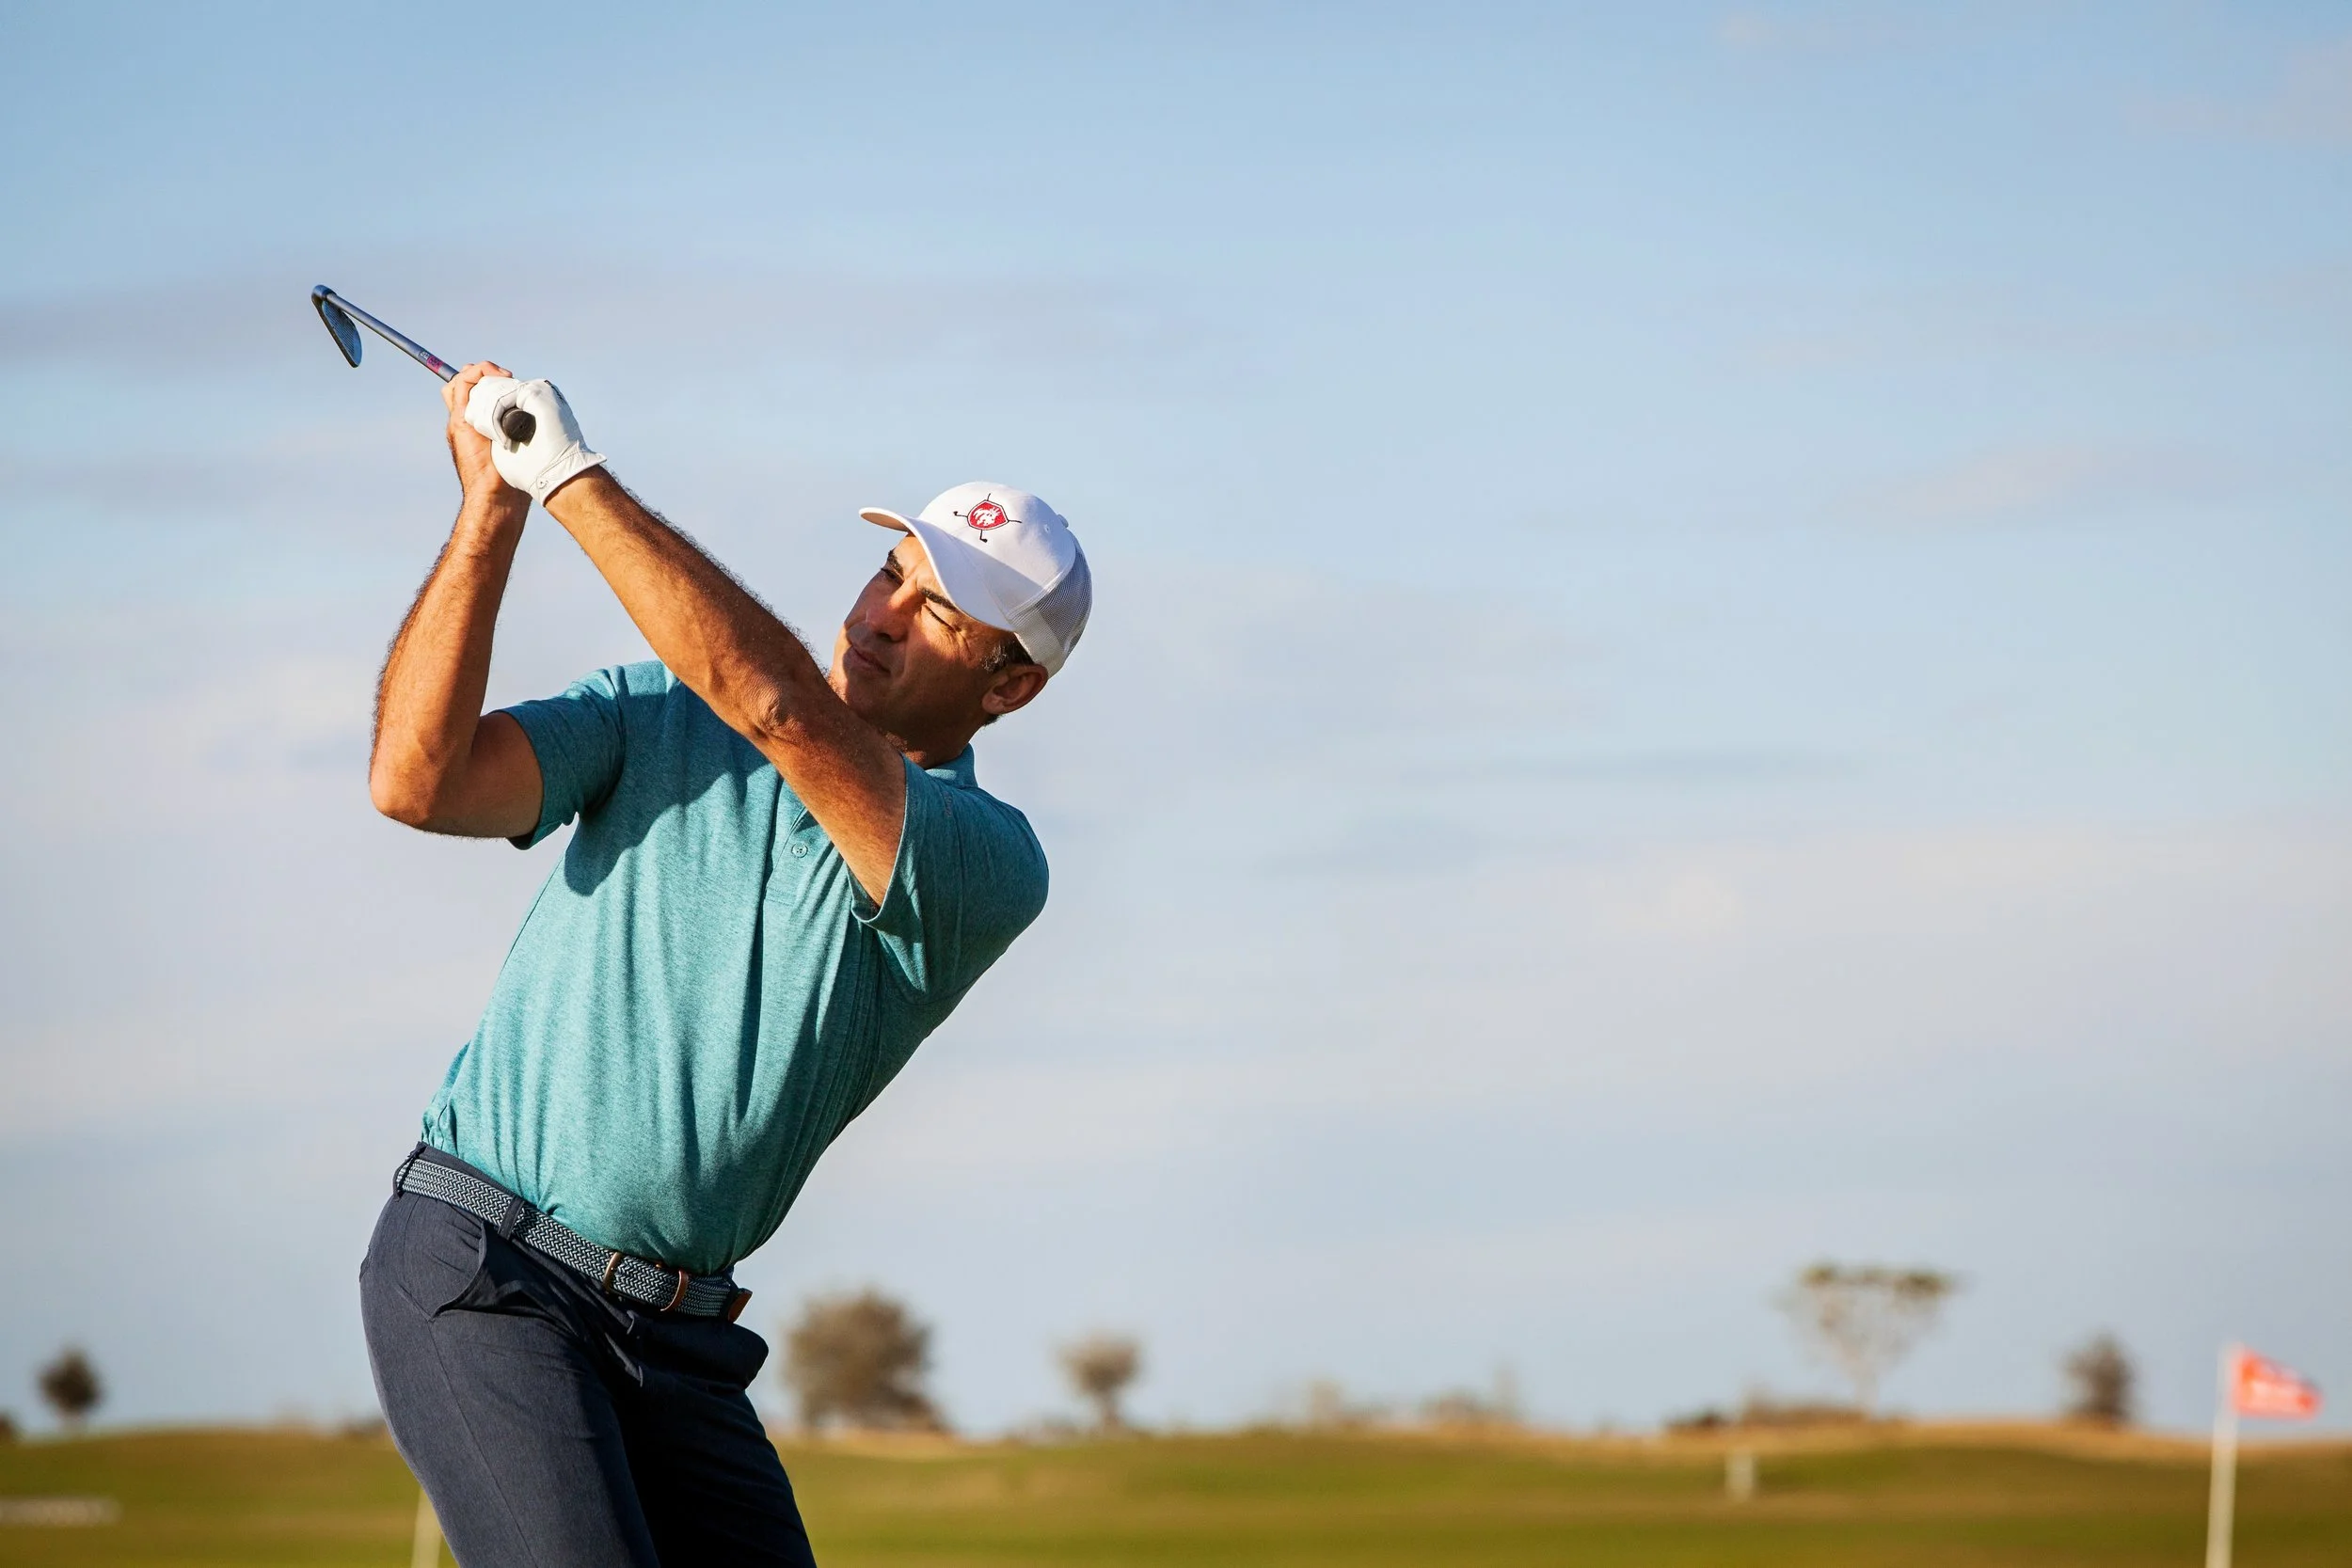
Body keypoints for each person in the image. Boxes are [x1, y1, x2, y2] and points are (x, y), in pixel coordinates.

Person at [358, 363, 1091, 1567]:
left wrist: (571, 477)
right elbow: (415, 779)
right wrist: (491, 510)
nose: (881, 615)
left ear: (1009, 683)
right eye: (890, 573)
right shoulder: (657, 710)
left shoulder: (984, 860)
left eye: (938, 612)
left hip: (678, 1346)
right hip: (487, 1263)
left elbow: (776, 705)